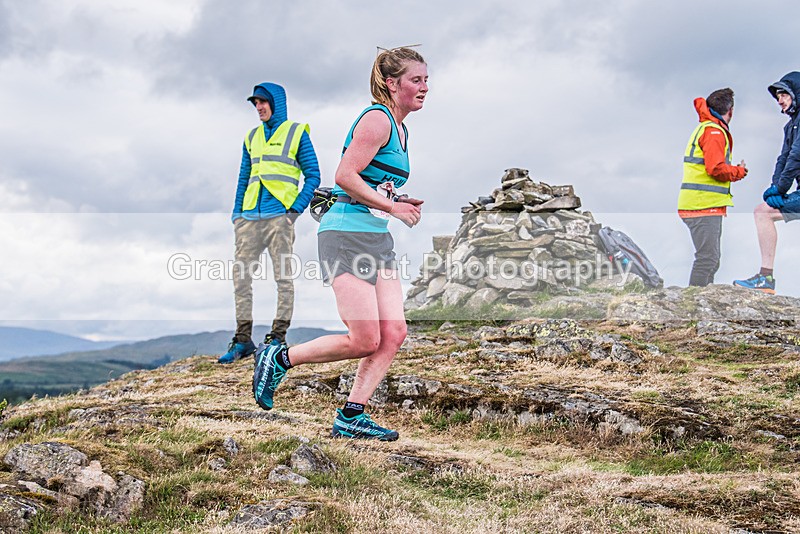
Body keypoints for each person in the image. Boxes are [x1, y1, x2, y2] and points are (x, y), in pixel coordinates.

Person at [252, 47, 428, 441]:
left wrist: (395, 200)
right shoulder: (377, 120)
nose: (424, 88)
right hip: (345, 233)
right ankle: (278, 357)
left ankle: (352, 415)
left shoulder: (401, 128)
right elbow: (345, 176)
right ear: (391, 83)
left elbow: (370, 183)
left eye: (426, 80)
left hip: (374, 236)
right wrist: (393, 208)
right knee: (364, 338)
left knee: (394, 332)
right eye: (416, 80)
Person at [218, 82, 321, 363]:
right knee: (241, 278)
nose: (259, 107)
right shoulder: (251, 137)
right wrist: (237, 215)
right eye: (255, 103)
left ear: (276, 102)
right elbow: (243, 177)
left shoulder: (297, 133)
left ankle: (277, 337)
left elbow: (313, 175)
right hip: (249, 218)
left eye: (263, 102)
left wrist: (294, 210)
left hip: (280, 218)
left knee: (283, 278)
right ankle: (242, 340)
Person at [733, 72, 800, 295]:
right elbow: (783, 158)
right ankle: (765, 278)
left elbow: (796, 158)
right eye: (778, 96)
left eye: (784, 95)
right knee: (764, 211)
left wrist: (780, 189)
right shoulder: (791, 126)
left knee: (763, 213)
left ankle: (766, 278)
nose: (780, 100)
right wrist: (774, 187)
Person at [678, 88, 748, 287]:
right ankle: (692, 306)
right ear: (731, 111)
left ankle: (701, 303)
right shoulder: (714, 131)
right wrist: (738, 172)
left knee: (711, 260)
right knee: (707, 259)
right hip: (702, 204)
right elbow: (715, 168)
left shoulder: (706, 128)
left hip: (701, 204)